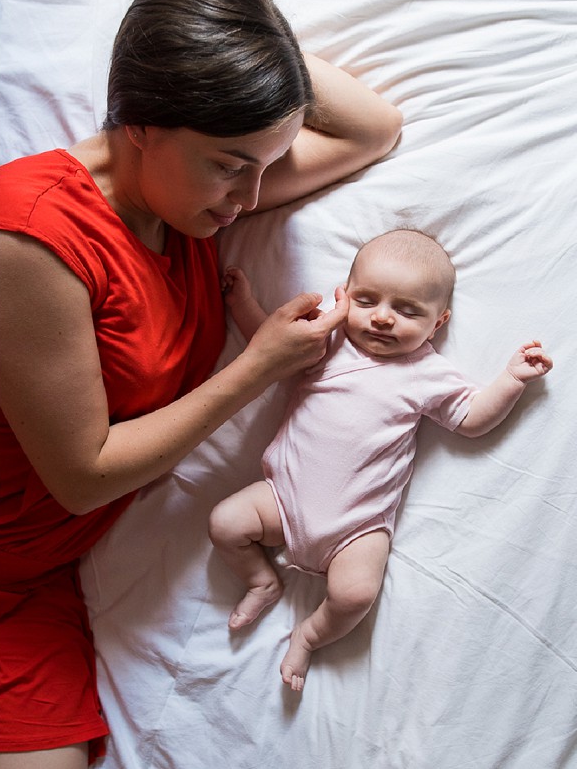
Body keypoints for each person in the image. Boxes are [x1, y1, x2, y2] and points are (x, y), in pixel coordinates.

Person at [0, 0, 404, 766]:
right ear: (142, 124)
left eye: (267, 164)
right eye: (231, 166)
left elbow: (372, 130)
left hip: (44, 578)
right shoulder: (29, 235)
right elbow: (83, 477)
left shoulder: (188, 205)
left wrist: (246, 34)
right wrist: (258, 369)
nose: (250, 198)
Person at [209, 229, 554, 691]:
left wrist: (510, 379)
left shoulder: (427, 373)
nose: (383, 319)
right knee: (225, 522)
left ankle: (309, 636)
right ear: (343, 296)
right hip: (281, 497)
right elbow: (267, 350)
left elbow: (471, 418)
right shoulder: (325, 345)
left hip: (356, 526)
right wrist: (241, 304)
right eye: (367, 301)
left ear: (439, 323)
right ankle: (261, 581)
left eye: (408, 310)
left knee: (354, 594)